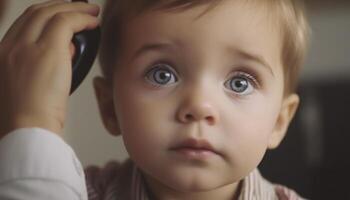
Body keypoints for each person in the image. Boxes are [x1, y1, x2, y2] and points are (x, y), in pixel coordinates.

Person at [0, 0, 311, 199]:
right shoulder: (73, 191)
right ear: (109, 107)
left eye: (240, 83)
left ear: (280, 121)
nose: (199, 106)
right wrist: (33, 122)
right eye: (162, 74)